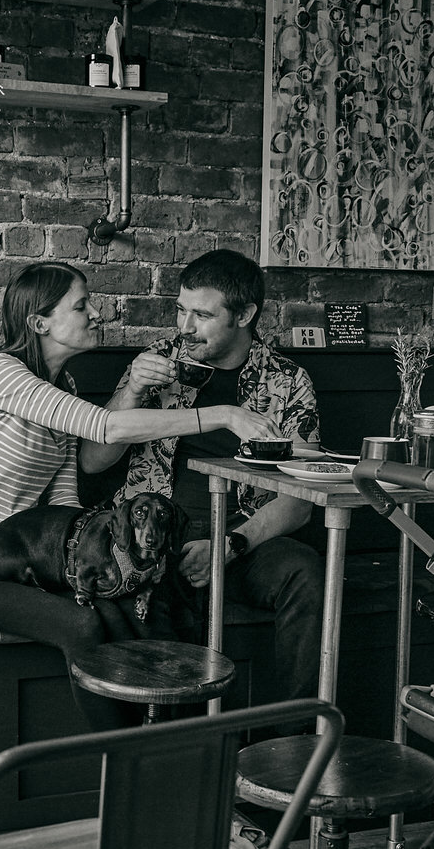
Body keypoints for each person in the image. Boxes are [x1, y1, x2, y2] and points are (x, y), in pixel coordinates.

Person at [0, 261, 279, 730]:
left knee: (130, 605)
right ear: (39, 322)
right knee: (81, 624)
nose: (96, 313)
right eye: (82, 305)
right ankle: (125, 757)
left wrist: (119, 566)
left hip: (27, 560)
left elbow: (66, 505)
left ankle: (177, 739)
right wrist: (223, 414)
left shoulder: (61, 387)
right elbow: (105, 426)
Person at [80, 249, 325, 707]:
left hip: (240, 540)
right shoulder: (156, 364)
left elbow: (301, 496)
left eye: (202, 315)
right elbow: (94, 461)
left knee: (305, 571)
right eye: (181, 310)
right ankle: (184, 744)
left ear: (245, 314)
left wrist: (229, 545)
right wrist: (132, 389)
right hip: (152, 536)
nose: (184, 328)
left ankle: (293, 739)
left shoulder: (289, 383)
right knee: (152, 591)